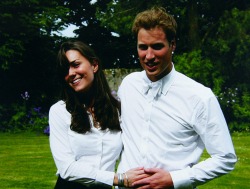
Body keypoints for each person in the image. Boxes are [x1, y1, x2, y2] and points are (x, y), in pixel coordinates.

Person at [117, 7, 237, 189]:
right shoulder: (128, 85)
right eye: (143, 47)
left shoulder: (199, 96)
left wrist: (174, 179)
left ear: (173, 44)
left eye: (157, 46)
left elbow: (225, 158)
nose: (149, 56)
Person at [49, 41, 147, 189]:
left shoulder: (118, 111)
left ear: (94, 65)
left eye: (76, 65)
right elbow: (67, 168)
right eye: (65, 70)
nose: (70, 73)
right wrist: (119, 179)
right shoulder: (59, 111)